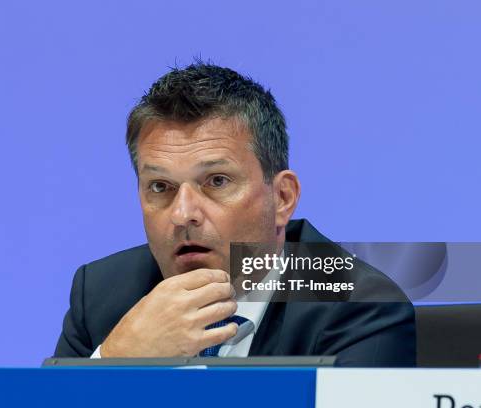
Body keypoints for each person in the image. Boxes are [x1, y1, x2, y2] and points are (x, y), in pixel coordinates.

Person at [54, 62, 416, 366]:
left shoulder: (360, 305)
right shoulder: (102, 293)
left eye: (216, 181)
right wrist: (118, 359)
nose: (183, 214)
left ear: (283, 197)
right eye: (161, 187)